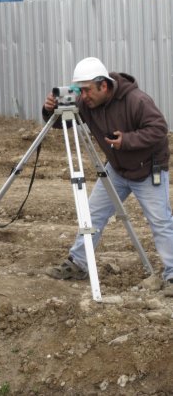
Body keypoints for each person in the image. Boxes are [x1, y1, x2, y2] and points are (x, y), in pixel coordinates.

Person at [42, 57, 173, 296]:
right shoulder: (87, 103)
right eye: (79, 91)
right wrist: (49, 109)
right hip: (116, 170)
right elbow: (61, 124)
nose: (83, 96)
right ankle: (79, 263)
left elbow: (159, 129)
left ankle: (172, 273)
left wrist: (127, 140)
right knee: (92, 215)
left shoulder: (136, 100)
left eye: (87, 90)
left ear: (103, 85)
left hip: (147, 169)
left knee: (161, 222)